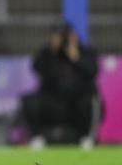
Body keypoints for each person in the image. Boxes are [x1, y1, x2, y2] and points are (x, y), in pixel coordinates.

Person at [21, 22, 101, 150]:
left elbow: (92, 71)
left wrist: (76, 57)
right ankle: (37, 138)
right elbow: (36, 67)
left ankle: (88, 138)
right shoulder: (48, 53)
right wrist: (53, 51)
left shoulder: (85, 51)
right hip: (54, 102)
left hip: (78, 101)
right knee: (29, 101)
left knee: (92, 102)